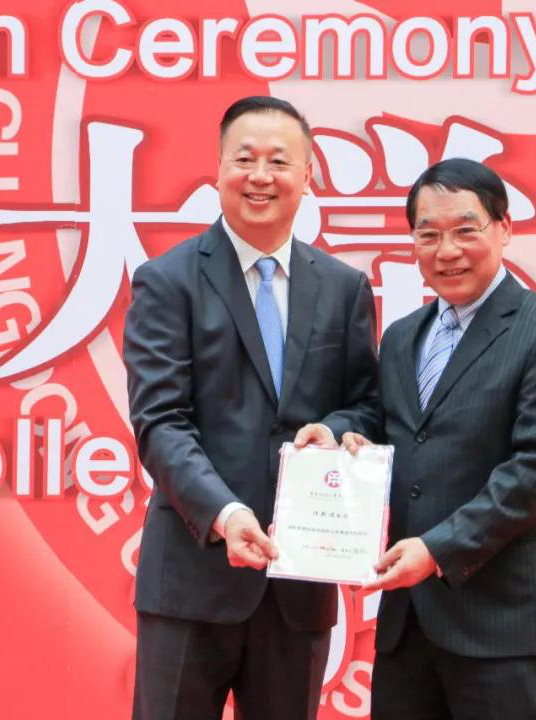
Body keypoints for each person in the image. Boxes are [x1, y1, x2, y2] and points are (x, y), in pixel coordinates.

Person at [122, 96, 380, 720]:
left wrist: (336, 431)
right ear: (218, 169)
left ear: (307, 176)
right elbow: (160, 422)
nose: (260, 176)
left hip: (298, 581)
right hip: (192, 577)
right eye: (244, 159)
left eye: (279, 161)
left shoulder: (343, 288)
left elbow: (366, 405)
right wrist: (226, 513)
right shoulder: (168, 281)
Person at [342, 158, 536, 719]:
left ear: (504, 229)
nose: (446, 250)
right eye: (428, 234)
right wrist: (335, 435)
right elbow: (383, 425)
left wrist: (437, 550)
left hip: (506, 625)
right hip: (409, 626)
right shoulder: (404, 335)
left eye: (465, 230)